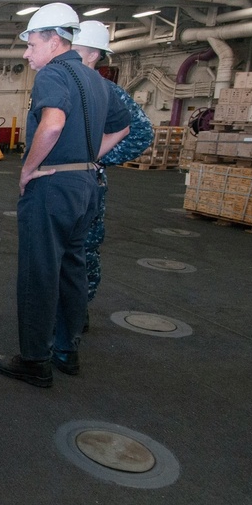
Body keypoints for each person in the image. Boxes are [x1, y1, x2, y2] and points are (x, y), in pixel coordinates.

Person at [0, 3, 131, 388]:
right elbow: (123, 127)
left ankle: (34, 358)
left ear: (54, 41)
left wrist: (28, 168)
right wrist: (88, 157)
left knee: (40, 270)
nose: (26, 53)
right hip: (86, 186)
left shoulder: (54, 74)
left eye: (31, 44)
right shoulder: (98, 80)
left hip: (53, 187)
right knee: (73, 267)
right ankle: (67, 349)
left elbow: (52, 125)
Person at [71, 21, 155, 325]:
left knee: (84, 249)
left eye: (75, 51)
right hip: (60, 182)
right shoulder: (67, 86)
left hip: (87, 183)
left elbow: (141, 133)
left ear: (93, 55)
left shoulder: (106, 91)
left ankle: (78, 310)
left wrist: (99, 158)